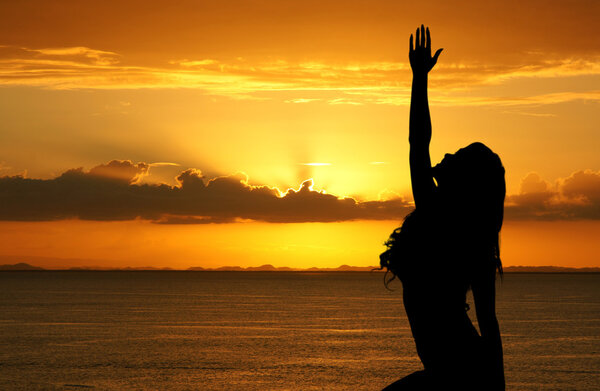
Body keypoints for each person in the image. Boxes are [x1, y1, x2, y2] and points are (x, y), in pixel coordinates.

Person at [379, 25, 506, 390]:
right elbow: (418, 143)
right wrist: (419, 78)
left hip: (462, 373)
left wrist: (419, 79)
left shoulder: (453, 230)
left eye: (458, 156)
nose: (447, 154)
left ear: (466, 182)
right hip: (449, 370)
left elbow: (490, 323)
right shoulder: (448, 223)